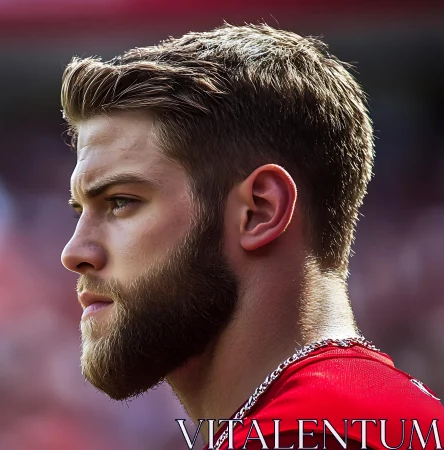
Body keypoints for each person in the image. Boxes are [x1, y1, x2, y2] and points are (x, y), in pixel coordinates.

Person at [59, 24, 443, 450]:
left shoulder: (311, 436)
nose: (75, 253)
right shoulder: (368, 418)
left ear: (259, 211)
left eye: (120, 201)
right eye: (80, 210)